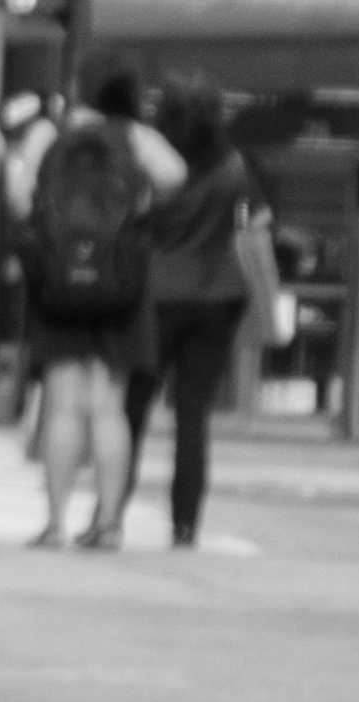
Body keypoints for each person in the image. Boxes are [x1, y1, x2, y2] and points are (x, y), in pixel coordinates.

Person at [4, 64, 187, 548]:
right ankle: (107, 523)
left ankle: (55, 522)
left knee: (63, 407)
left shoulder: (51, 132)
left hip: (60, 285)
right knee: (109, 409)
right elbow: (175, 175)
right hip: (118, 283)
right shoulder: (134, 137)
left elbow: (18, 194)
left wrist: (49, 235)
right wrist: (135, 218)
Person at [111, 81, 289, 551]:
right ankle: (184, 524)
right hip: (217, 293)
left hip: (157, 294)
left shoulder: (157, 166)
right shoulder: (233, 165)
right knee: (193, 415)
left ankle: (112, 510)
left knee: (133, 409)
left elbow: (131, 217)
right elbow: (260, 221)